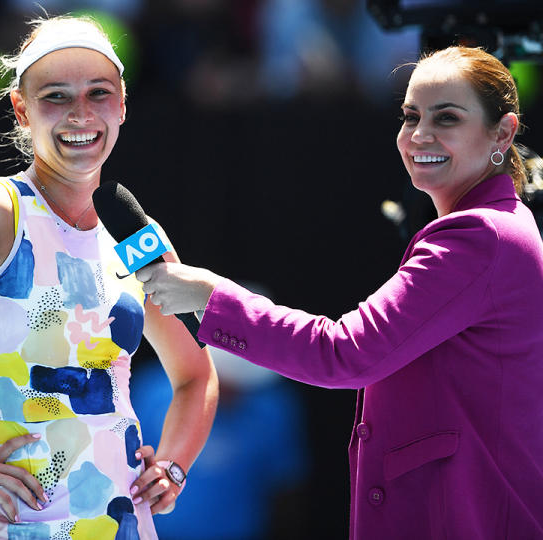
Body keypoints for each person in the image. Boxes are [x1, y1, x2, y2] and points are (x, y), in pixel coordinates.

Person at [136, 46, 543, 538]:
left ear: (503, 132)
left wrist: (210, 296)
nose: (419, 135)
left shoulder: (480, 237)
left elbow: (344, 353)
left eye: (447, 117)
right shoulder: (493, 229)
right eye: (410, 116)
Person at [0, 16, 218, 540]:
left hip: (122, 525)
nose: (80, 114)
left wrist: (174, 467)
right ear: (21, 110)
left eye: (98, 93)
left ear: (121, 105)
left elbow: (196, 375)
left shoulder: (135, 232)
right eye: (55, 96)